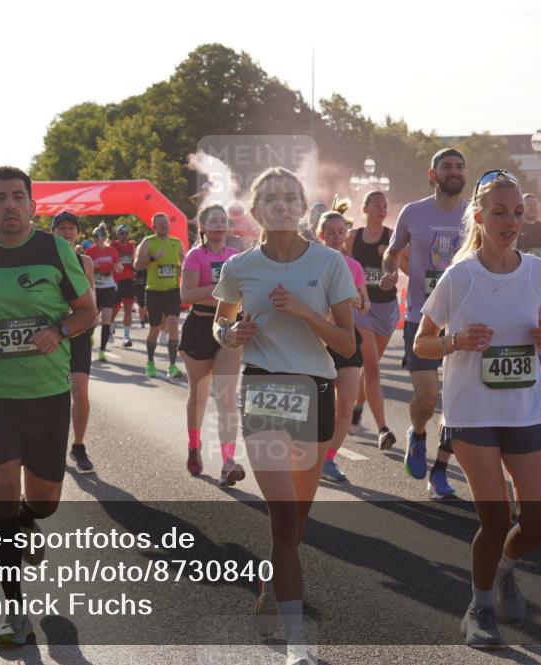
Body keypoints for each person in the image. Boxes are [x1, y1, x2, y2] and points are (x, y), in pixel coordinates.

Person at [0, 166, 96, 646]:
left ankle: (30, 518)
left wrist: (60, 331)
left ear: (32, 205)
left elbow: (88, 311)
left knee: (44, 502)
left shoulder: (56, 250)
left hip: (46, 394)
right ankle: (13, 611)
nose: (9, 205)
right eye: (0, 199)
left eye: (17, 197)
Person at [214, 167, 356, 665]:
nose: (282, 204)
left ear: (303, 205)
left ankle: (271, 580)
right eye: (271, 197)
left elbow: (347, 342)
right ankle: (297, 645)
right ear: (255, 211)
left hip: (314, 389)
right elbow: (221, 322)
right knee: (282, 519)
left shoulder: (330, 262)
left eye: (291, 196)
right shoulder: (240, 266)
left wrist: (304, 313)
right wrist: (230, 337)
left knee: (296, 525)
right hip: (263, 389)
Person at [414, 169, 541, 649]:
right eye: (500, 212)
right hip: (472, 412)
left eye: (517, 213)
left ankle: (503, 567)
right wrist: (455, 341)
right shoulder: (461, 275)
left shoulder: (538, 272)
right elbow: (422, 343)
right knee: (495, 520)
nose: (511, 221)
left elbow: (540, 336)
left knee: (537, 524)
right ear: (478, 216)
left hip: (526, 407)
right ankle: (479, 609)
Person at [381, 147, 467, 499]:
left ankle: (441, 470)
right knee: (428, 397)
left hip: (465, 321)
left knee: (460, 404)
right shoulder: (413, 213)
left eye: (459, 167)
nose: (454, 172)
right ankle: (417, 435)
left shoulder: (474, 214)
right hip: (421, 318)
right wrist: (389, 273)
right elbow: (391, 252)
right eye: (446, 166)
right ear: (433, 175)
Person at [179, 204, 245, 486]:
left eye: (223, 221)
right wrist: (221, 291)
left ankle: (228, 462)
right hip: (199, 327)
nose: (219, 225)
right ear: (202, 227)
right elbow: (187, 294)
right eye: (213, 221)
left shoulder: (236, 257)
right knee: (199, 395)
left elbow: (245, 292)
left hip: (229, 328)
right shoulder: (195, 256)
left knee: (227, 396)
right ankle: (194, 447)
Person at [316, 203, 369, 483]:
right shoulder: (311, 263)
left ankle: (328, 459)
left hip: (347, 340)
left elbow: (365, 305)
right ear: (320, 234)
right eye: (330, 232)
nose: (336, 236)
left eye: (340, 231)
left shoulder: (354, 266)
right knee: (318, 407)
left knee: (346, 406)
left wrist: (357, 301)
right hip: (316, 342)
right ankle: (307, 454)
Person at [347, 190, 399, 449]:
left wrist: (392, 260)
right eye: (377, 205)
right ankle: (382, 429)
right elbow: (340, 261)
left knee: (371, 366)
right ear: (365, 208)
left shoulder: (393, 239)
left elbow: (409, 267)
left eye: (385, 205)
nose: (382, 209)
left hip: (387, 309)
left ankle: (356, 407)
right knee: (372, 368)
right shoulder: (353, 237)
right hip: (362, 308)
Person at [52, 211, 97, 473]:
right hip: (53, 334)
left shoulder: (86, 262)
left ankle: (78, 446)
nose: (67, 233)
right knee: (54, 395)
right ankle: (53, 444)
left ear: (77, 233)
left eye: (71, 228)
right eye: (62, 228)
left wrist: (87, 323)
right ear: (53, 232)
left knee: (80, 393)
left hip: (79, 335)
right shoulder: (45, 261)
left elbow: (91, 298)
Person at [134, 212, 184, 379]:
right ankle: (150, 362)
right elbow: (137, 265)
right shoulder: (148, 242)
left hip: (172, 290)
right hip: (154, 291)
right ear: (154, 227)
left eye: (166, 222)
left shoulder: (176, 243)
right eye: (160, 223)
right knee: (154, 329)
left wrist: (182, 269)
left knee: (173, 324)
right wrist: (154, 258)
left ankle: (172, 365)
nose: (164, 225)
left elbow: (186, 264)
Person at [515, 193, 541, 383]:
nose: (532, 208)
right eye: (528, 205)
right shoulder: (517, 226)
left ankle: (538, 365)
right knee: (526, 325)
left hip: (539, 283)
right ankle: (532, 365)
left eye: (534, 205)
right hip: (521, 283)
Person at [84, 223, 122, 362]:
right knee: (93, 319)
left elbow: (118, 266)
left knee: (106, 318)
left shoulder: (111, 251)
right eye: (94, 237)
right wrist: (95, 267)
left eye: (97, 236)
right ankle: (90, 336)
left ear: (103, 237)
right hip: (94, 288)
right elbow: (84, 270)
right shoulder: (89, 252)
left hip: (108, 286)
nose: (95, 239)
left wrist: (118, 267)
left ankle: (102, 351)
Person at [110, 224, 137, 346]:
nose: (124, 236)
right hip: (116, 281)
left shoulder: (132, 246)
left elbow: (135, 261)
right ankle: (109, 326)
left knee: (128, 308)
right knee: (114, 308)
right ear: (117, 234)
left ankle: (126, 337)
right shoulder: (113, 245)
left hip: (128, 280)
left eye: (126, 233)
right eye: (122, 233)